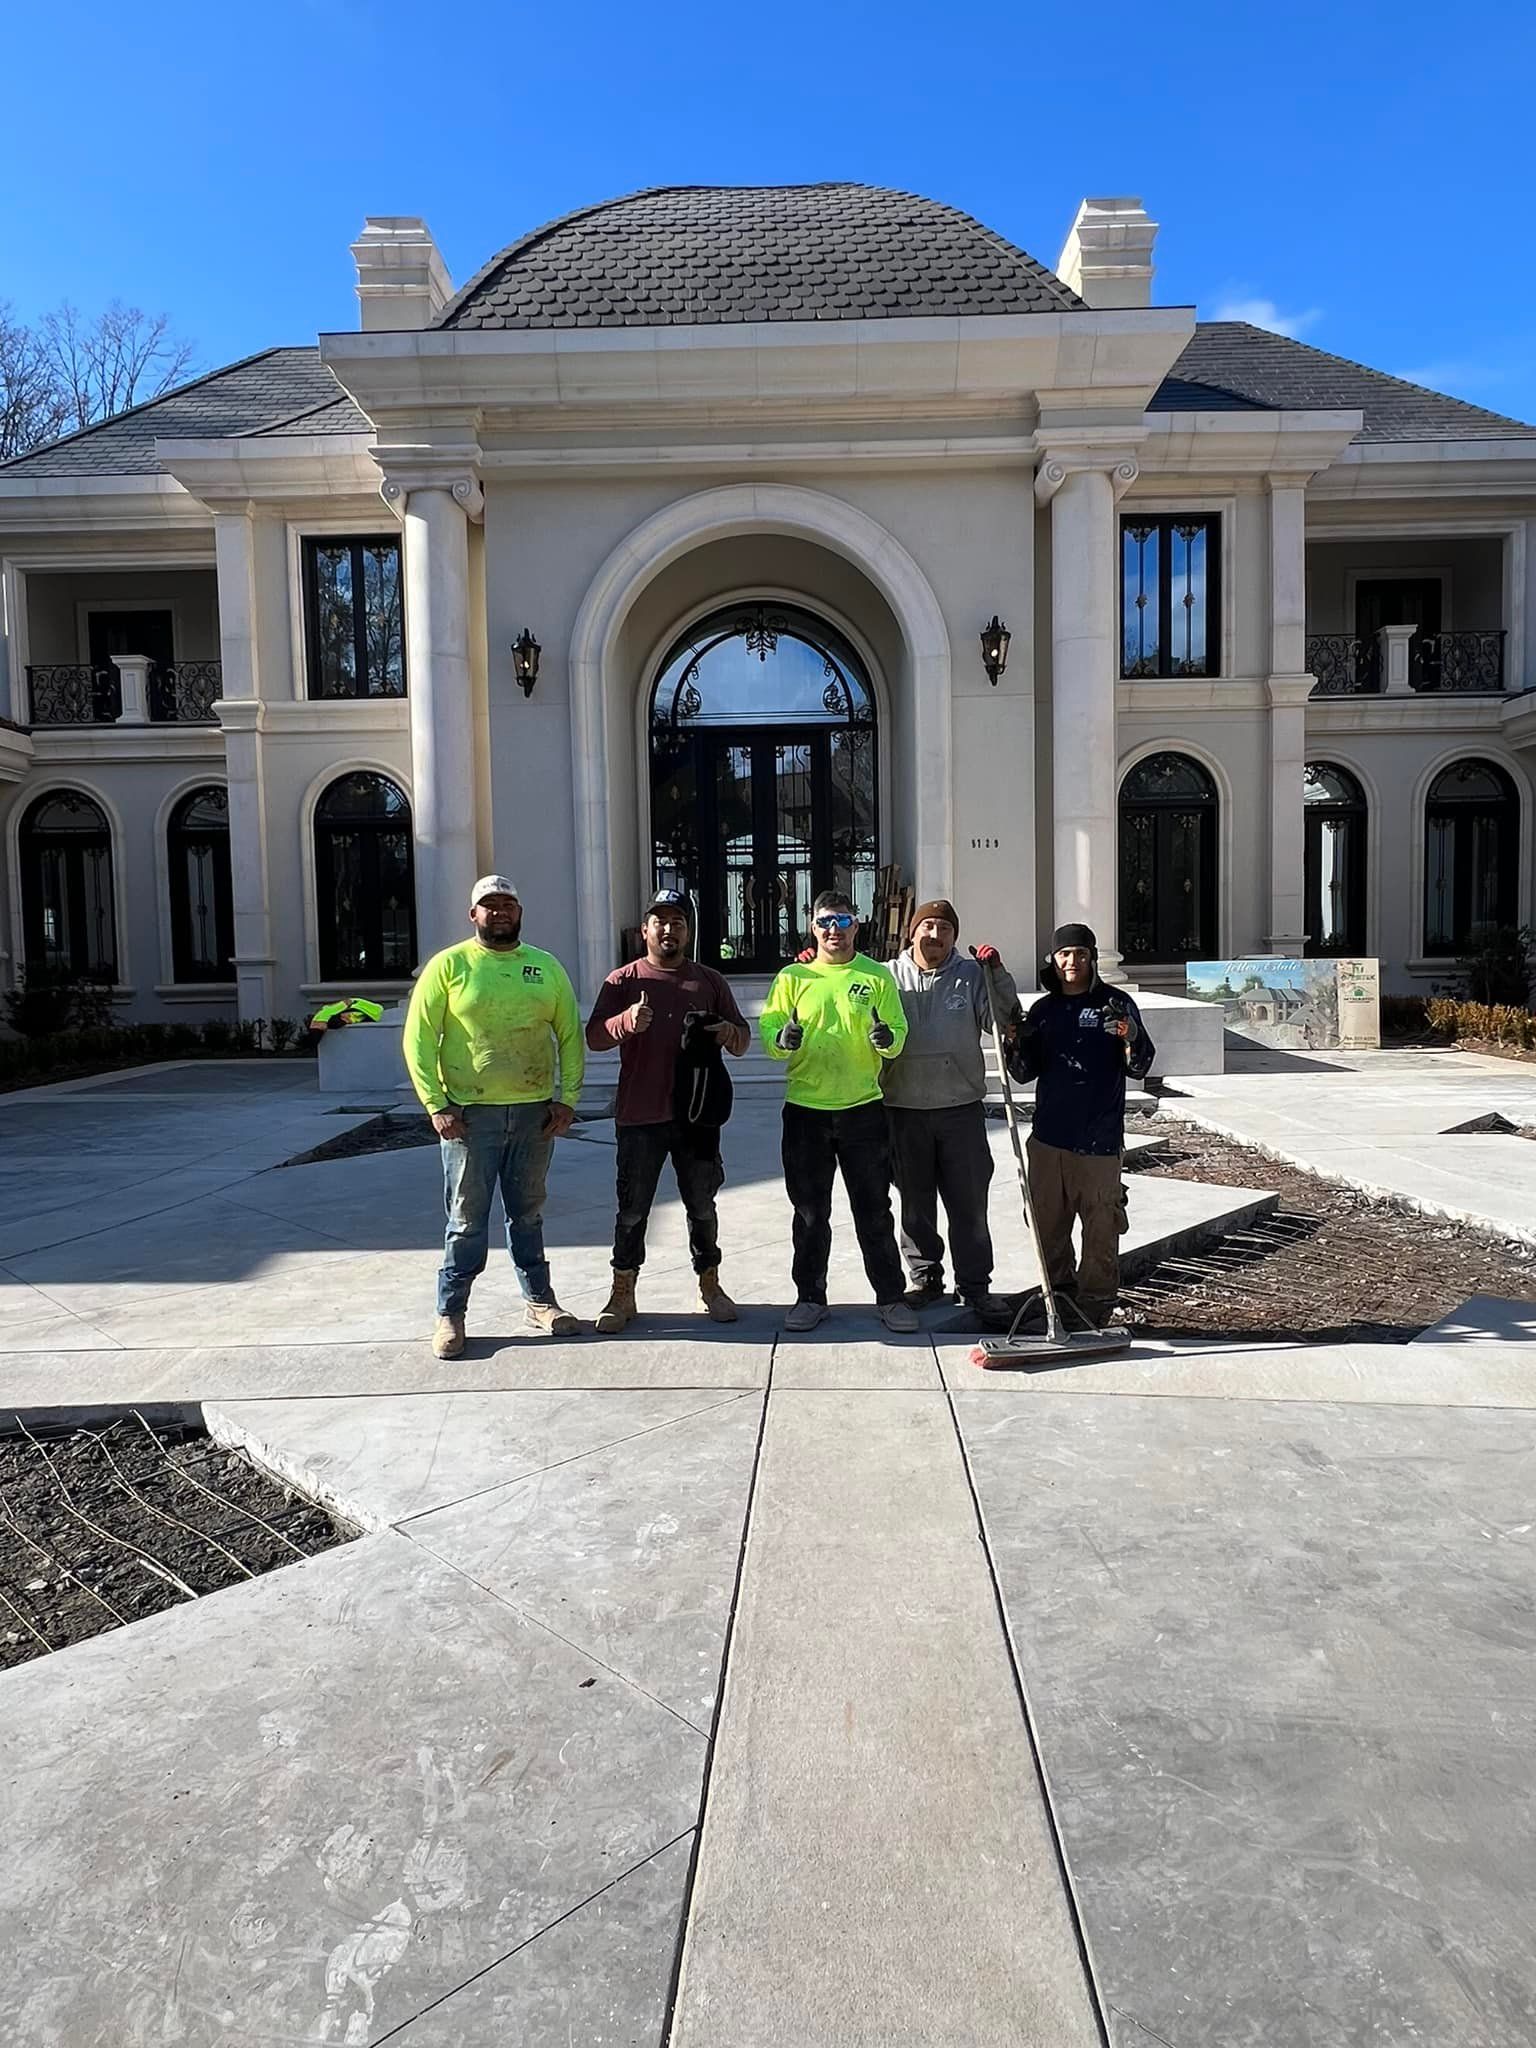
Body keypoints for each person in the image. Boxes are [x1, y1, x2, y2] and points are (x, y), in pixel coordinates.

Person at [403, 876, 585, 1358]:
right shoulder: (449, 966)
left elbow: (569, 1036)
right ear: (473, 915)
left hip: (534, 1115)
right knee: (466, 1221)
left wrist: (567, 1098)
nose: (499, 911)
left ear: (520, 912)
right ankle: (451, 1313)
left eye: (508, 904)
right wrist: (436, 1104)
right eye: (489, 905)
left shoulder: (544, 967)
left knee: (527, 1214)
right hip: (468, 1118)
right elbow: (418, 1039)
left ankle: (540, 1302)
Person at [585, 889, 752, 1331]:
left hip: (697, 1116)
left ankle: (710, 1285)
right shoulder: (621, 981)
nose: (668, 929)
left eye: (677, 922)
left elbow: (743, 1037)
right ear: (644, 931)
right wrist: (626, 1023)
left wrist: (724, 1033)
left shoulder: (710, 980)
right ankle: (622, 1293)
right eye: (659, 921)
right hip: (640, 1116)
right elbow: (594, 1037)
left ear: (687, 931)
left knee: (702, 1206)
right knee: (633, 1210)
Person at [760, 888, 918, 1334]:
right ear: (813, 926)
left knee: (873, 1209)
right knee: (810, 1213)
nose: (835, 930)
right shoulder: (793, 978)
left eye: (843, 921)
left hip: (862, 1110)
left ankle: (891, 1297)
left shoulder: (876, 977)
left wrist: (888, 1039)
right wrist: (781, 1039)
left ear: (857, 925)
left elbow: (898, 1030)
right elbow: (770, 1028)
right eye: (826, 922)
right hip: (806, 1111)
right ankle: (810, 1297)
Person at [1007, 922, 1155, 1330]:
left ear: (1092, 958)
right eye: (1064, 955)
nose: (1072, 962)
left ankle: (1096, 1306)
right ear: (1053, 960)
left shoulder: (1116, 1005)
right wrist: (1015, 1042)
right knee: (1047, 1224)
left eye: (1080, 954)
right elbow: (1022, 1074)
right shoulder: (1043, 1011)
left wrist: (1131, 1035)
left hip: (1098, 1141)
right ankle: (1056, 1296)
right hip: (1049, 1138)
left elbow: (1140, 1062)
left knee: (1100, 1228)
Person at [883, 898, 1016, 1318]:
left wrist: (997, 975)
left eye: (944, 928)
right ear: (912, 931)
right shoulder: (887, 976)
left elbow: (1001, 1023)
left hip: (961, 1108)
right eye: (928, 927)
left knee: (969, 1203)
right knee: (914, 1205)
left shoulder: (971, 975)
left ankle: (975, 1285)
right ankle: (925, 1279)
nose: (935, 935)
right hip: (903, 1108)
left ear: (954, 936)